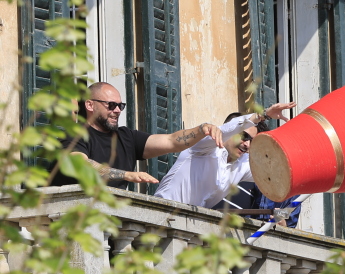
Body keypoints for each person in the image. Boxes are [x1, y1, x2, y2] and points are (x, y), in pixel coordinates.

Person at [52, 82, 223, 188]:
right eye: (111, 105)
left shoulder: (127, 137)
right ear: (90, 105)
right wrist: (127, 175)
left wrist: (202, 129)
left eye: (120, 106)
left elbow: (172, 141)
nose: (117, 110)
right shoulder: (74, 134)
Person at [154, 103, 295, 209]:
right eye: (244, 136)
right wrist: (262, 115)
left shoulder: (243, 165)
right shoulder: (204, 146)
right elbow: (226, 129)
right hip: (161, 213)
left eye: (251, 141)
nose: (247, 144)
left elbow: (273, 171)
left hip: (187, 229)